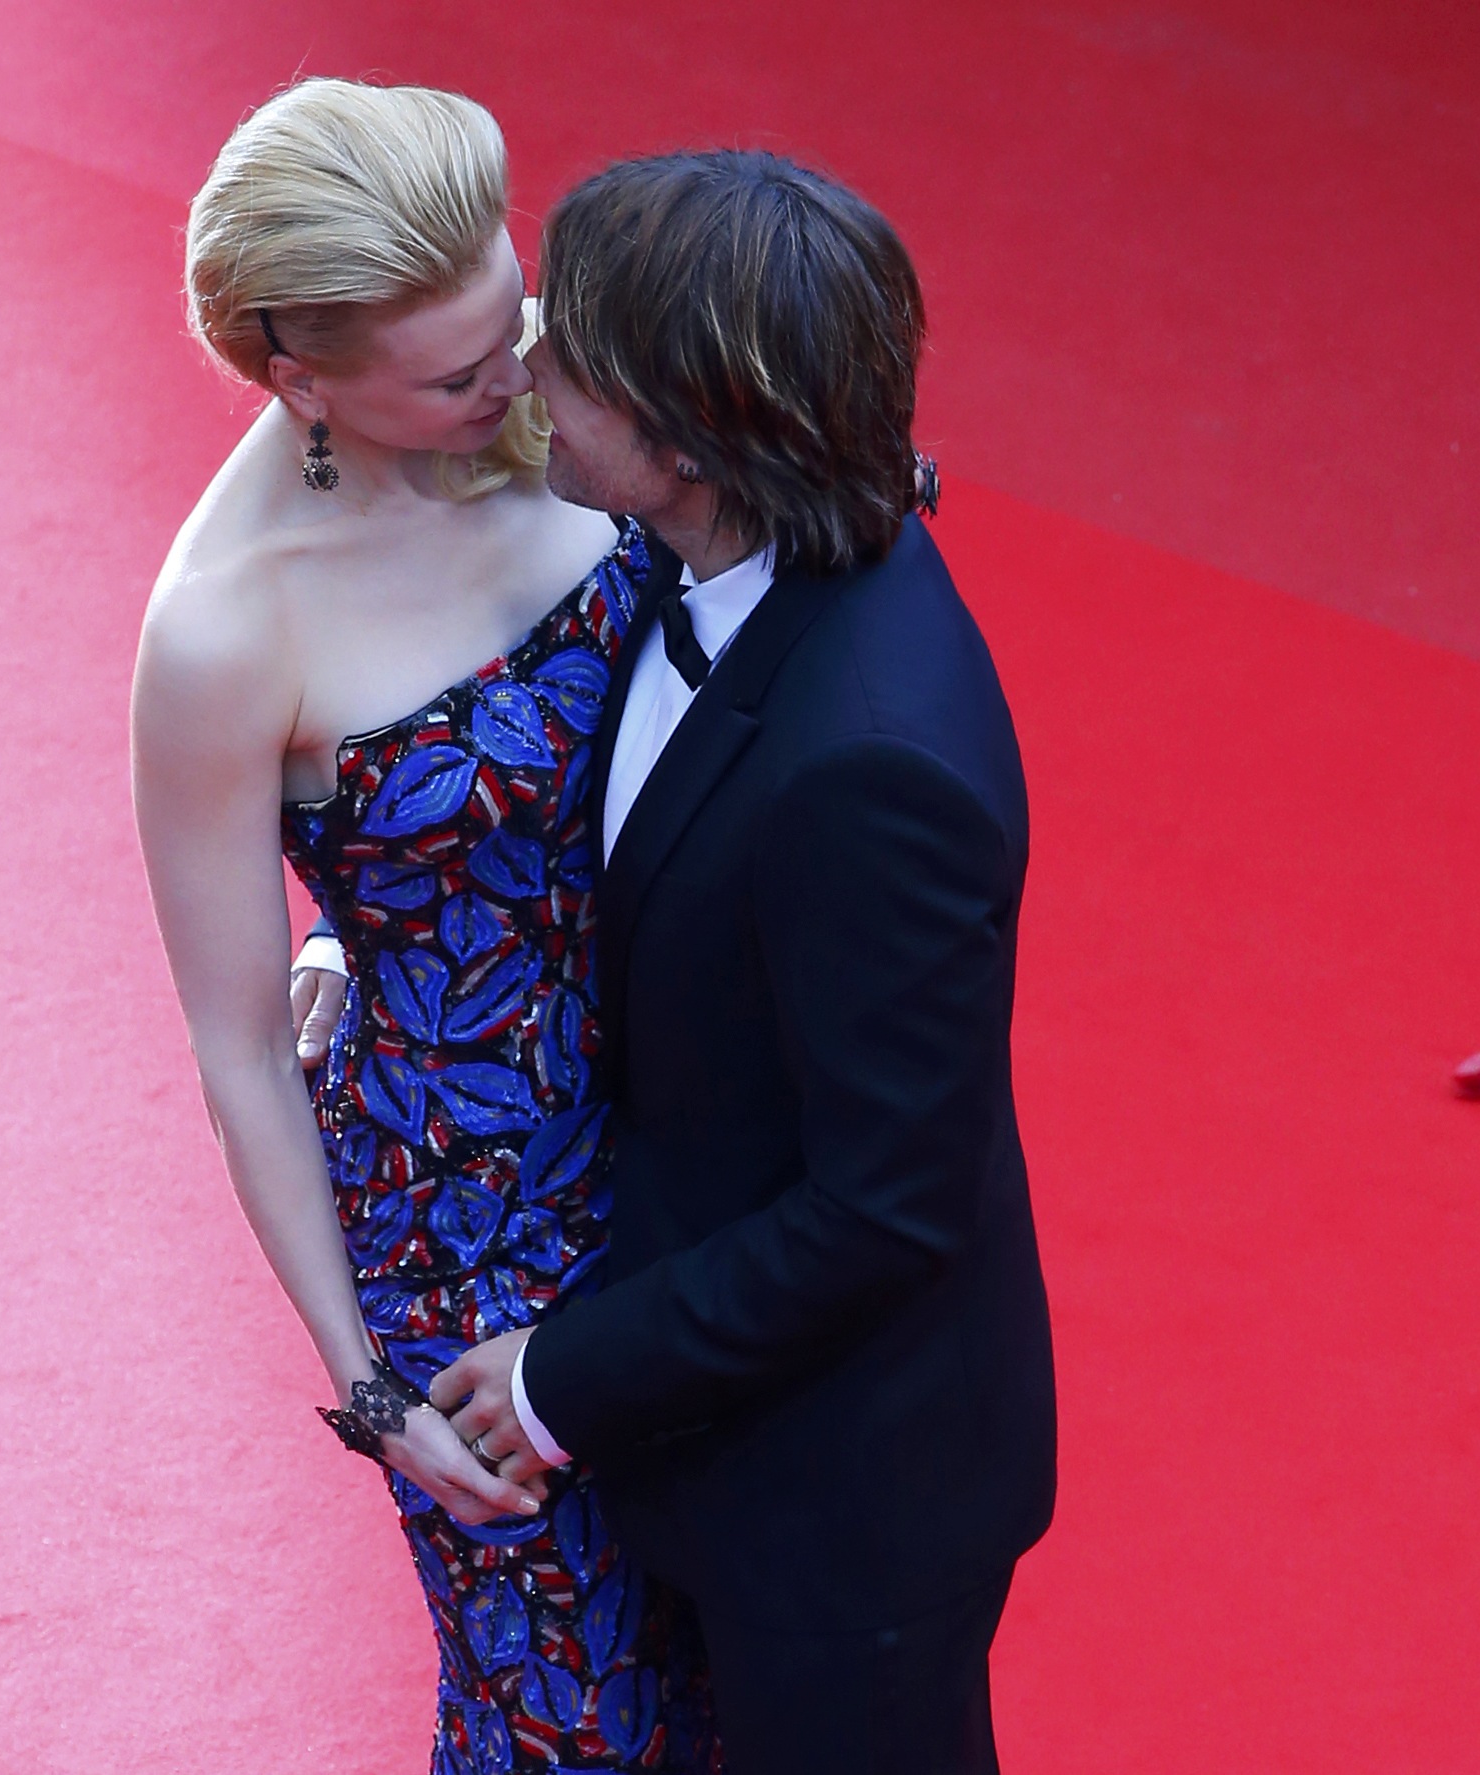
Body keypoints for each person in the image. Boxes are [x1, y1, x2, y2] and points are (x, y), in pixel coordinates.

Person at [420, 151, 1060, 1775]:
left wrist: (563, 1381)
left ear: (692, 442)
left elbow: (886, 1208)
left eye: (571, 355)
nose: (526, 368)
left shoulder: (872, 768)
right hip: (726, 1436)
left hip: (845, 1511)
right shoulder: (706, 552)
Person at [131, 80, 719, 1773]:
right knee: (579, 1719)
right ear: (300, 380)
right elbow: (239, 1048)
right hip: (474, 1219)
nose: (522, 383)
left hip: (706, 1126)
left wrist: (355, 917)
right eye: (458, 378)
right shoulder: (224, 630)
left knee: (765, 1659)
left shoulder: (533, 384)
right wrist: (371, 1389)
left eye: (514, 321)